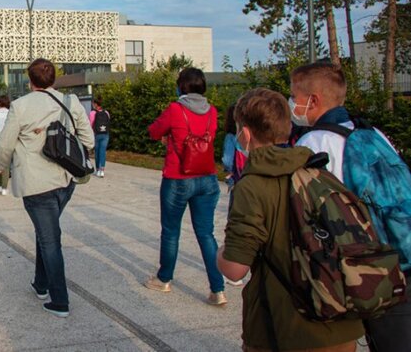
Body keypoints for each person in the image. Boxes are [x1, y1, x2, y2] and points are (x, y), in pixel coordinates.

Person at [217, 88, 363, 352]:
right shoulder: (318, 170)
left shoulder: (252, 186)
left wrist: (221, 253)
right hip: (340, 325)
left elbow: (235, 269)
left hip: (288, 328)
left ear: (246, 134)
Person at [290, 62, 410, 352]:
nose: (292, 104)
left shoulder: (315, 142)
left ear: (314, 100)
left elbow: (312, 212)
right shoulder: (373, 132)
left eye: (295, 97)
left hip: (369, 267)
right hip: (402, 253)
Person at [0, 59, 94, 318]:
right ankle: (41, 283)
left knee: (50, 240)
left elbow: (5, 144)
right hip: (65, 180)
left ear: (30, 80)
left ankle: (60, 300)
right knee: (45, 232)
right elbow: (89, 139)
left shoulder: (21, 105)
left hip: (36, 183)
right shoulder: (71, 102)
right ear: (54, 79)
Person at [145, 67, 226, 305]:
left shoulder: (175, 109)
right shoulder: (212, 111)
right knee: (206, 234)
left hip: (178, 177)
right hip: (207, 178)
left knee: (171, 231)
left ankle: (164, 279)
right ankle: (217, 289)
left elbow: (153, 131)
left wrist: (168, 135)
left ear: (181, 87)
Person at [88, 98, 110, 178]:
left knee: (97, 152)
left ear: (95, 104)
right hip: (105, 134)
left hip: (96, 134)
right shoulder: (106, 112)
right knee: (103, 152)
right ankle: (102, 171)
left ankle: (97, 170)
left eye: (93, 103)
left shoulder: (92, 113)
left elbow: (90, 124)